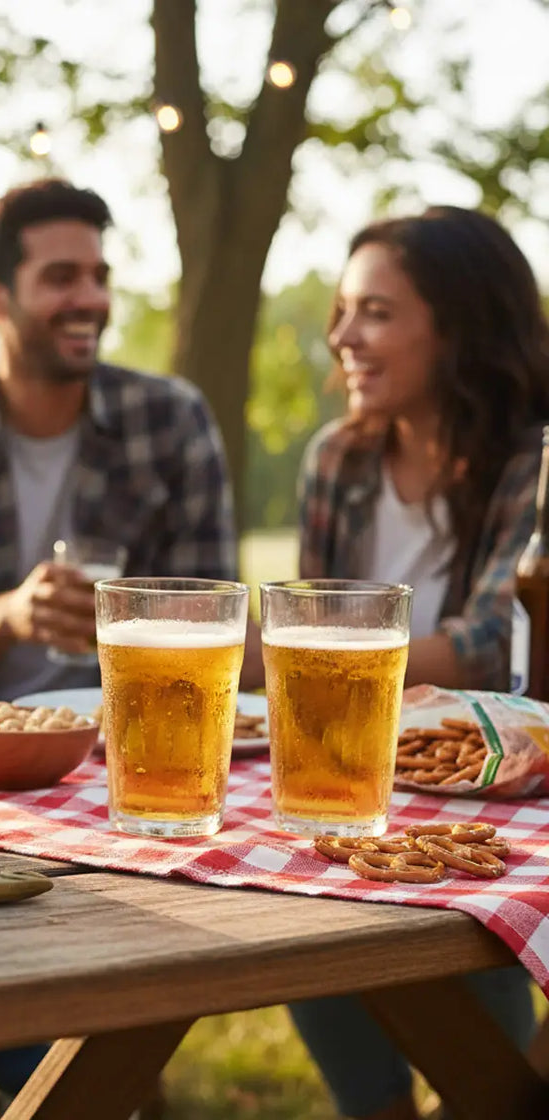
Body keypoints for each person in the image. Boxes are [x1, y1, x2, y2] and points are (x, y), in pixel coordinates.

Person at [284, 206, 549, 1119]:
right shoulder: (337, 462)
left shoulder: (534, 461)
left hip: (501, 778)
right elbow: (312, 629)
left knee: (456, 928)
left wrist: (291, 656)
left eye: (377, 312)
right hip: (369, 770)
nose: (344, 337)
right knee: (305, 892)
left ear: (460, 324)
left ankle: (490, 1092)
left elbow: (492, 641)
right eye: (343, 311)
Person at [0, 178, 237, 703]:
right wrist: (10, 615)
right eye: (61, 278)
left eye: (99, 277)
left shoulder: (171, 419)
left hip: (142, 729)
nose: (91, 300)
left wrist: (126, 613)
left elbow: (211, 618)